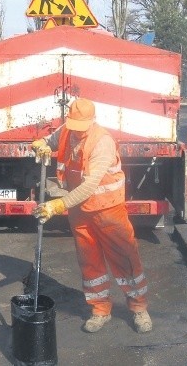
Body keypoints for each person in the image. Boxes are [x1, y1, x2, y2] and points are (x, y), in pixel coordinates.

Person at [31, 98, 152, 333]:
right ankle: (100, 310)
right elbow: (50, 140)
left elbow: (89, 186)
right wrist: (41, 144)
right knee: (89, 262)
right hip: (80, 212)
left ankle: (139, 308)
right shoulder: (66, 131)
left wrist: (56, 206)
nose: (76, 132)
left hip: (108, 210)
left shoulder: (102, 142)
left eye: (81, 127)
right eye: (73, 125)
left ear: (93, 121)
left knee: (125, 259)